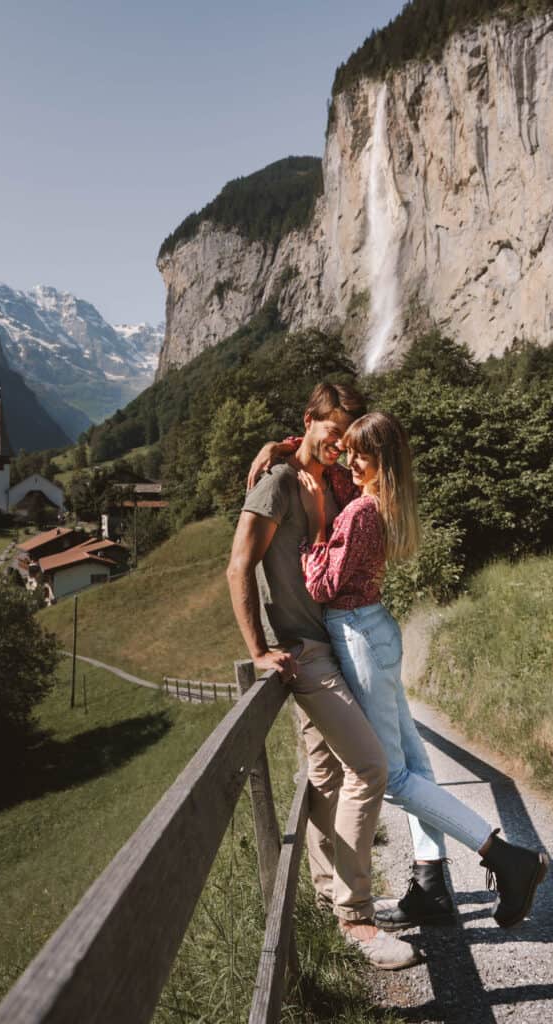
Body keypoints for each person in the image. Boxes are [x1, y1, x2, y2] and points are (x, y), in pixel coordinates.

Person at [290, 410, 550, 930]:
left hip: (359, 634)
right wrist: (290, 449)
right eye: (351, 449)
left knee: (390, 776)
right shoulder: (380, 499)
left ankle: (506, 857)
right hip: (373, 630)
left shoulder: (363, 512)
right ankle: (433, 884)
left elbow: (322, 587)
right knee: (413, 761)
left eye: (363, 452)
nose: (352, 460)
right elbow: (334, 471)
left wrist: (305, 547)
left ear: (381, 459)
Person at [226, 382, 421, 970]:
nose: (339, 445)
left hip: (329, 642)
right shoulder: (278, 482)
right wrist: (259, 649)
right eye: (331, 432)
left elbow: (340, 480)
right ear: (309, 420)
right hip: (304, 652)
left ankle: (329, 895)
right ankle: (355, 918)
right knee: (370, 765)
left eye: (346, 434)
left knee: (328, 774)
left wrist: (288, 444)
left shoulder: (327, 482)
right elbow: (238, 566)